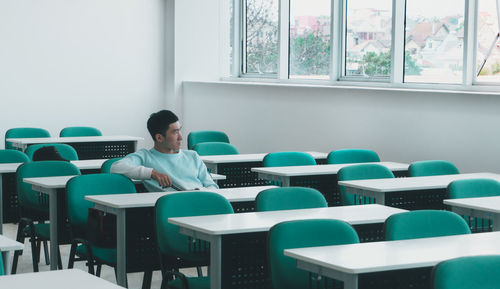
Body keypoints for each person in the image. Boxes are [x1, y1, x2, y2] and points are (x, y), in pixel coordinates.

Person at [111, 110, 218, 192]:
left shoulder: (192, 156)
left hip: (201, 202)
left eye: (179, 130)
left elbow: (212, 186)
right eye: (175, 132)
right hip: (174, 210)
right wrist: (152, 173)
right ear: (159, 138)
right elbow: (116, 167)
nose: (181, 137)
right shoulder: (145, 157)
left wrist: (201, 192)